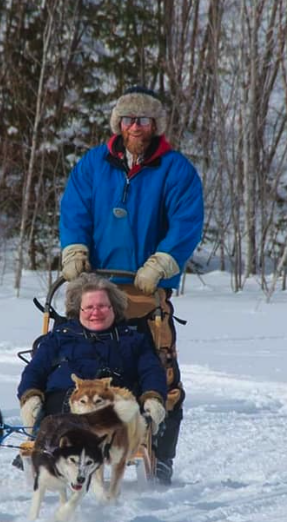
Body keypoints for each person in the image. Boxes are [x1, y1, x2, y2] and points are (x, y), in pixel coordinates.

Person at [57, 86, 204, 484]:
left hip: (146, 289)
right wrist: (73, 249)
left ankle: (162, 455)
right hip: (95, 285)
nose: (134, 126)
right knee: (64, 360)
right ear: (117, 124)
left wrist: (163, 260)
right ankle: (56, 440)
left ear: (155, 125)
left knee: (160, 372)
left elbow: (187, 222)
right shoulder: (93, 164)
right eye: (127, 119)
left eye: (143, 119)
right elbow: (74, 209)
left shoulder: (175, 170)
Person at [18, 276, 167, 435]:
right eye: (88, 307)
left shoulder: (133, 340)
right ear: (78, 310)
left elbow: (151, 371)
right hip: (62, 405)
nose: (96, 312)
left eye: (102, 306)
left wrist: (152, 397)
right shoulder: (58, 337)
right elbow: (35, 370)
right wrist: (31, 396)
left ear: (113, 308)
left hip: (115, 409)